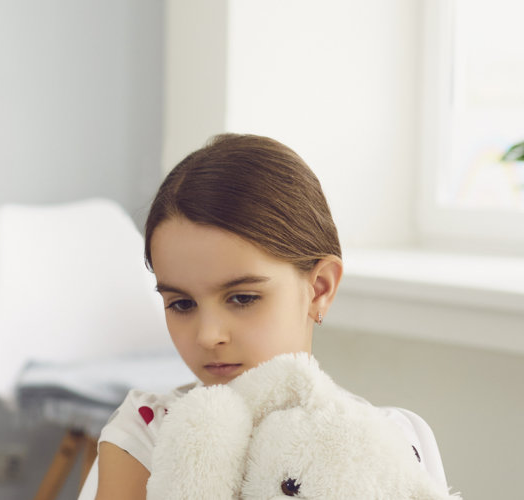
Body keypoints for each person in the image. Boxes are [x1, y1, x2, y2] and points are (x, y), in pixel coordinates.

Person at [88, 134, 450, 499]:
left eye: (242, 298)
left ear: (320, 288)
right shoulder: (142, 436)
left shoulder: (389, 442)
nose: (207, 336)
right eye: (182, 304)